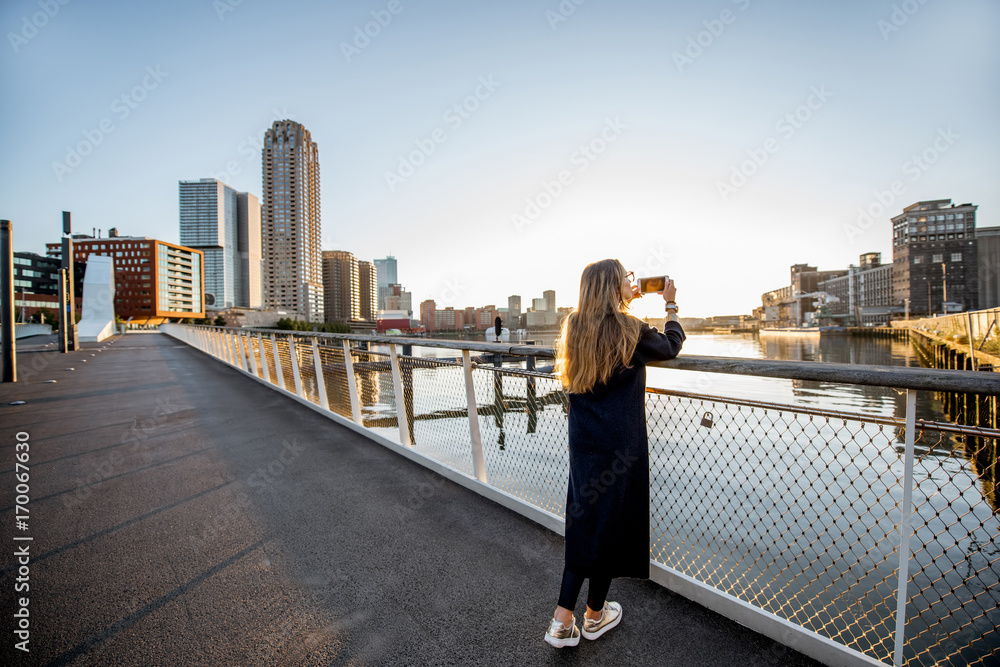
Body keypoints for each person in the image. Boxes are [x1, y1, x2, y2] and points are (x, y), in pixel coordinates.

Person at [544, 259, 685, 648]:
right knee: (611, 522)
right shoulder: (629, 329)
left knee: (585, 520)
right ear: (612, 287)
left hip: (584, 444)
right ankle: (593, 616)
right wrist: (669, 306)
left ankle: (562, 621)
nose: (632, 282)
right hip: (622, 446)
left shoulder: (574, 326)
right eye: (626, 279)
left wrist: (626, 301)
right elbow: (670, 346)